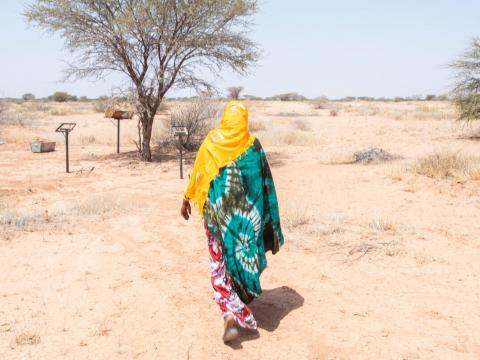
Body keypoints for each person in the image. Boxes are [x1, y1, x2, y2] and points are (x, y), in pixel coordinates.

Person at [180, 100, 284, 343]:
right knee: (240, 259)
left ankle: (229, 313)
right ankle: (235, 303)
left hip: (216, 220)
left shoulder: (212, 143)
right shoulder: (253, 146)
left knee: (219, 263)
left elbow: (199, 175)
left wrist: (186, 200)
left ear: (225, 119)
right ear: (244, 121)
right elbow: (263, 183)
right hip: (247, 222)